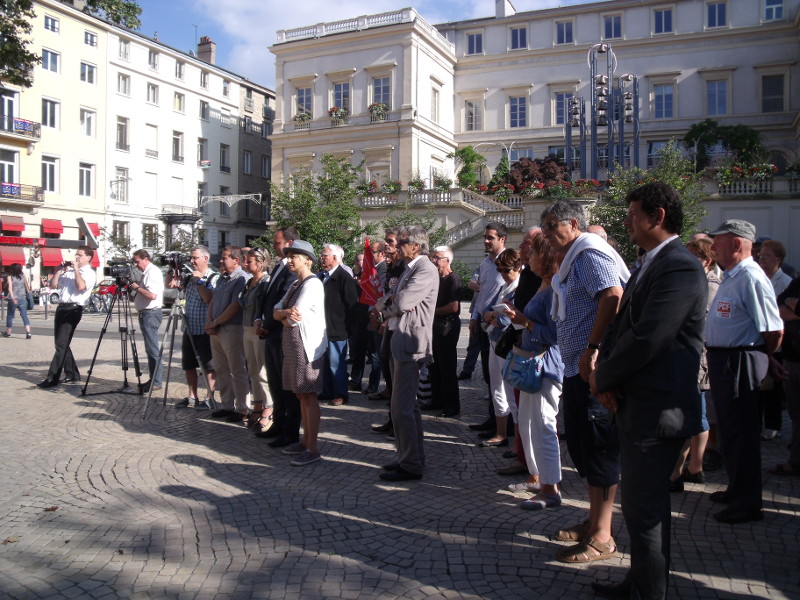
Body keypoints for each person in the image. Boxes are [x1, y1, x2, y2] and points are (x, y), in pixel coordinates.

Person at [589, 182, 708, 600]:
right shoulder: (651, 262)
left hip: (658, 409)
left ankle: (648, 592)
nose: (627, 220)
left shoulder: (679, 265)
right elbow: (624, 326)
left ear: (657, 217)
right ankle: (639, 584)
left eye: (633, 212)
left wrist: (603, 378)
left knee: (647, 512)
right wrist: (603, 366)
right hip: (637, 402)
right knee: (639, 509)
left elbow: (649, 336)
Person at [540, 199, 628, 564]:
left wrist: (592, 348)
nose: (546, 234)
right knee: (583, 447)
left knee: (599, 449)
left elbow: (613, 296)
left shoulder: (589, 253)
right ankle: (594, 520)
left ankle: (604, 536)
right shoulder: (575, 256)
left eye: (550, 226)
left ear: (572, 223)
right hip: (578, 368)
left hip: (594, 367)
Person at [706, 219, 783, 523]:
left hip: (739, 360)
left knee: (742, 433)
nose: (713, 247)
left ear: (737, 244)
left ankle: (748, 503)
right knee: (730, 431)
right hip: (727, 359)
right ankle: (737, 489)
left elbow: (774, 329)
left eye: (719, 242)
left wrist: (762, 357)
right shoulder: (732, 275)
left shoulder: (751, 276)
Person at [502, 233, 564, 509]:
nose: (529, 257)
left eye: (534, 253)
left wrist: (524, 321)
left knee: (544, 424)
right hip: (531, 362)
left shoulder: (555, 289)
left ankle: (551, 488)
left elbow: (554, 334)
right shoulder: (543, 285)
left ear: (546, 257)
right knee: (528, 424)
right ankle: (538, 477)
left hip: (546, 366)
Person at [375, 226, 439, 482]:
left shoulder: (425, 269)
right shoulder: (410, 268)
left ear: (415, 245)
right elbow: (389, 299)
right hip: (399, 338)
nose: (397, 246)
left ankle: (411, 464)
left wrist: (387, 306)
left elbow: (400, 303)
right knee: (404, 406)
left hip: (411, 343)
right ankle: (408, 458)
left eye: (402, 242)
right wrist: (388, 304)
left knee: (402, 407)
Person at [669, 237, 720, 490]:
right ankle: (684, 469)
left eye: (693, 257)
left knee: (696, 414)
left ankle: (693, 468)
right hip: (686, 353)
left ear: (707, 260)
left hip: (698, 355)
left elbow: (698, 320)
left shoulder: (710, 284)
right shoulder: (695, 280)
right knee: (690, 412)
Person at [274, 240, 327, 466]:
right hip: (294, 346)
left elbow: (294, 319)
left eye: (294, 256)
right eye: (289, 256)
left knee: (308, 395)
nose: (289, 260)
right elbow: (278, 312)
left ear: (307, 259)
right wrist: (283, 314)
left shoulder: (312, 284)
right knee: (300, 394)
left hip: (306, 346)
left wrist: (283, 315)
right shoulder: (296, 284)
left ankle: (312, 447)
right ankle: (305, 442)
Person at [255, 227, 300, 447]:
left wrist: (267, 323)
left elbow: (284, 301)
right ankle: (278, 423)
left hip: (281, 332)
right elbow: (266, 297)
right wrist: (259, 320)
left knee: (286, 385)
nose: (274, 246)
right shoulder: (278, 267)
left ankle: (289, 429)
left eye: (277, 243)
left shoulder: (292, 271)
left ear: (290, 243)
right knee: (274, 382)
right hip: (271, 331)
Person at [467, 222, 508, 433]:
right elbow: (480, 294)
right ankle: (494, 418)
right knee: (488, 375)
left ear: (502, 239)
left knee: (501, 379)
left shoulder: (508, 263)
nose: (486, 241)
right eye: (485, 236)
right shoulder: (485, 264)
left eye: (490, 237)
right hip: (483, 324)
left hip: (499, 326)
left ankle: (504, 423)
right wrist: (474, 316)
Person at [478, 249, 522, 448]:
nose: (503, 274)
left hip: (509, 344)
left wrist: (492, 316)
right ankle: (501, 433)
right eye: (500, 270)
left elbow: (505, 320)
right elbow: (488, 313)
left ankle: (517, 442)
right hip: (495, 341)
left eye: (507, 270)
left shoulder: (519, 288)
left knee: (511, 392)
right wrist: (491, 316)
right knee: (496, 388)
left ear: (518, 267)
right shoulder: (505, 286)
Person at [38, 246, 97, 388]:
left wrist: (76, 270)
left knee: (61, 344)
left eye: (80, 255)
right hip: (62, 307)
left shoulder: (89, 273)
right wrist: (59, 271)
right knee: (62, 343)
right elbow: (52, 286)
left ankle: (53, 377)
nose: (76, 257)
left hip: (73, 309)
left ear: (88, 257)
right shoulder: (69, 272)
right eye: (76, 255)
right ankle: (72, 374)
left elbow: (81, 287)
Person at [206, 246, 251, 424]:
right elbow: (213, 301)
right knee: (221, 369)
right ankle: (227, 405)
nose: (221, 261)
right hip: (216, 330)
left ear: (236, 260)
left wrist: (215, 322)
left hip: (232, 329)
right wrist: (209, 322)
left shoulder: (242, 279)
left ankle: (242, 408)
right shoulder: (222, 279)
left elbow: (234, 306)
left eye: (225, 258)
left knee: (237, 369)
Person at [173, 245, 218, 410]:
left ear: (205, 259)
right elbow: (172, 287)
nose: (192, 261)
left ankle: (209, 397)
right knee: (189, 364)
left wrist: (199, 281)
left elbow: (208, 299)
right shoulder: (189, 276)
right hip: (189, 327)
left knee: (208, 365)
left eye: (195, 258)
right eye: (191, 258)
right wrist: (175, 271)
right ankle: (192, 396)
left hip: (205, 328)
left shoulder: (213, 277)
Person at [318, 243, 359, 406]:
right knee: (325, 363)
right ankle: (327, 391)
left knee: (337, 362)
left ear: (335, 257)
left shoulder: (344, 277)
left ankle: (341, 393)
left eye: (324, 255)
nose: (322, 258)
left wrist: (347, 327)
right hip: (323, 327)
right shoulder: (321, 276)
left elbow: (352, 305)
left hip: (338, 328)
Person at [770, 277, 800, 475]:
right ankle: (796, 460)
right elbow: (778, 304)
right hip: (792, 357)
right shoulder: (798, 282)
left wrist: (793, 305)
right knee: (796, 414)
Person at [241, 248, 273, 431]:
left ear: (261, 263)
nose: (246, 264)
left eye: (250, 261)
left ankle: (269, 407)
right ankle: (258, 404)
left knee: (262, 372)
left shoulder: (265, 282)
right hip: (246, 327)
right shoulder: (249, 282)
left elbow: (264, 306)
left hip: (257, 329)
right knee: (252, 370)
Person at [429, 246, 462, 418]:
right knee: (434, 364)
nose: (433, 260)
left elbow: (454, 306)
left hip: (447, 327)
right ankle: (437, 400)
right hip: (435, 326)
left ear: (447, 260)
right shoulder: (436, 278)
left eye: (437, 258)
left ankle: (451, 405)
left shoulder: (453, 279)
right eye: (433, 257)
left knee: (447, 366)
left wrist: (431, 311)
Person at [130, 249, 165, 392]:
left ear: (146, 259)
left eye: (138, 261)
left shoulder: (152, 272)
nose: (136, 265)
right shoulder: (148, 272)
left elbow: (152, 295)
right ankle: (154, 379)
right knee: (150, 349)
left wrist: (137, 288)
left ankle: (156, 381)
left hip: (150, 314)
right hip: (147, 314)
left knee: (152, 349)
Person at [4, 263, 32, 339]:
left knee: (10, 316)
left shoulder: (10, 277)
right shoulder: (23, 276)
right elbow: (27, 287)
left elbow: (10, 288)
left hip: (14, 299)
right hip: (23, 298)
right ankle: (28, 333)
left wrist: (12, 298)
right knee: (24, 315)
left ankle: (8, 332)